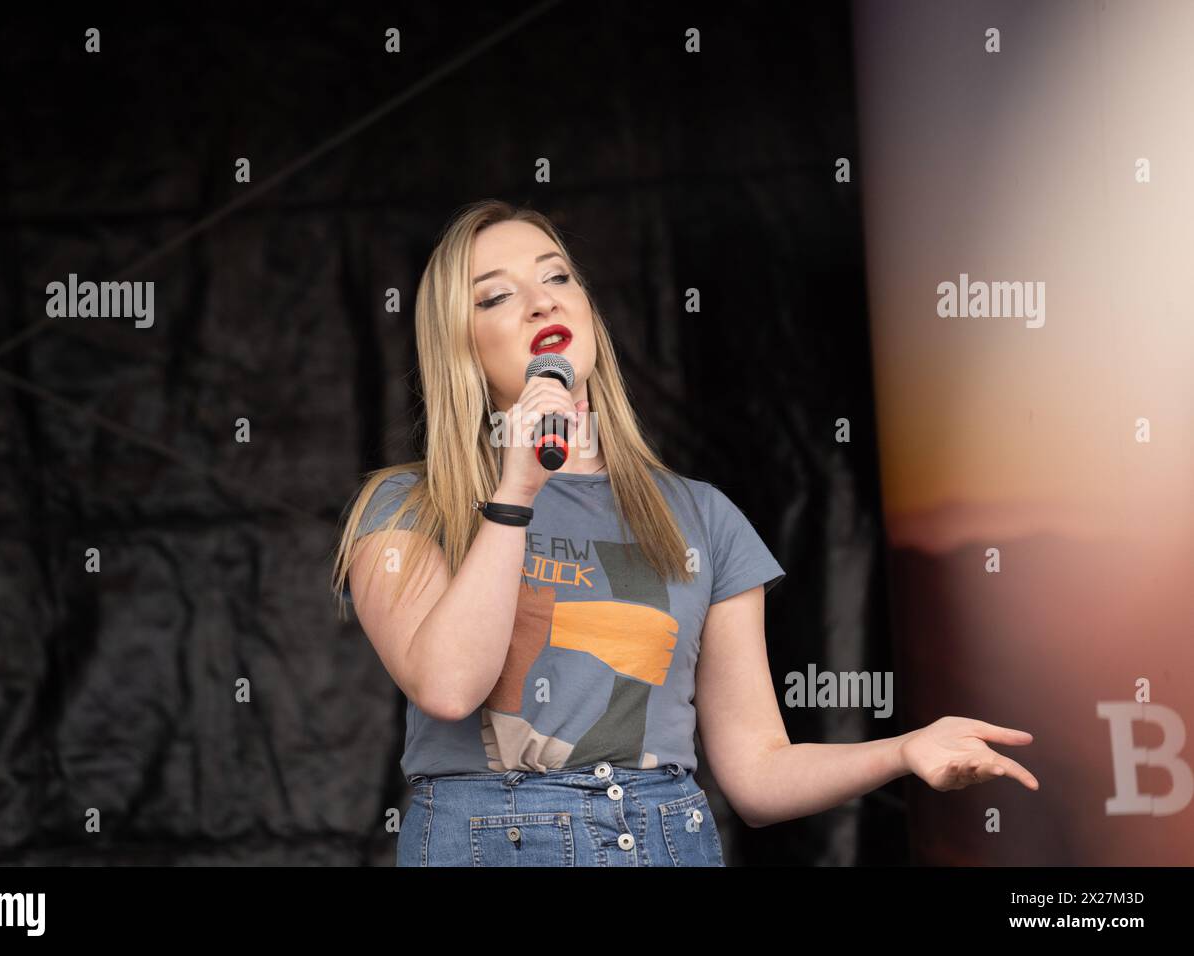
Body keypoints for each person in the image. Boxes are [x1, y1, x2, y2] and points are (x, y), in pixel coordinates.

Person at [329, 200, 1039, 867]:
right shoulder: (405, 507)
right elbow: (451, 689)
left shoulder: (700, 515)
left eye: (557, 276)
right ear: (459, 347)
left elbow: (758, 775)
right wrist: (513, 494)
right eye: (496, 295)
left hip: (665, 836)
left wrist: (905, 749)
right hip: (495, 838)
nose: (542, 300)